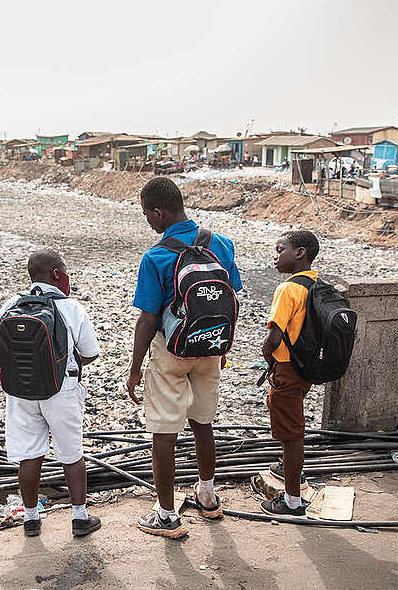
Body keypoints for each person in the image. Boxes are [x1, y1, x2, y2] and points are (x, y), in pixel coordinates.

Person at [127, 177, 243, 538]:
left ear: (159, 212)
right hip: (210, 347)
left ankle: (166, 516)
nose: (148, 221)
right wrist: (221, 346)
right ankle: (208, 496)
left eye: (148, 215)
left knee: (164, 431)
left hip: (172, 350)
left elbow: (147, 319)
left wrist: (134, 369)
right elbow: (231, 301)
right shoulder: (220, 243)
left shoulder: (157, 256)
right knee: (203, 423)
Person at [0, 250, 102, 537]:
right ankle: (79, 518)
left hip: (20, 392)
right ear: (56, 274)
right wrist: (66, 359)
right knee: (71, 454)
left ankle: (30, 519)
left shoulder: (11, 304)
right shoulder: (71, 308)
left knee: (29, 455)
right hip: (62, 389)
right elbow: (91, 352)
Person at [260, 229, 321, 515]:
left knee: (291, 434)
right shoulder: (316, 284)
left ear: (300, 253)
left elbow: (273, 338)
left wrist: (268, 359)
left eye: (280, 249)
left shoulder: (288, 289)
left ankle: (292, 500)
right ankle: (290, 470)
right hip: (306, 366)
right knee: (293, 424)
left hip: (287, 368)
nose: (276, 256)